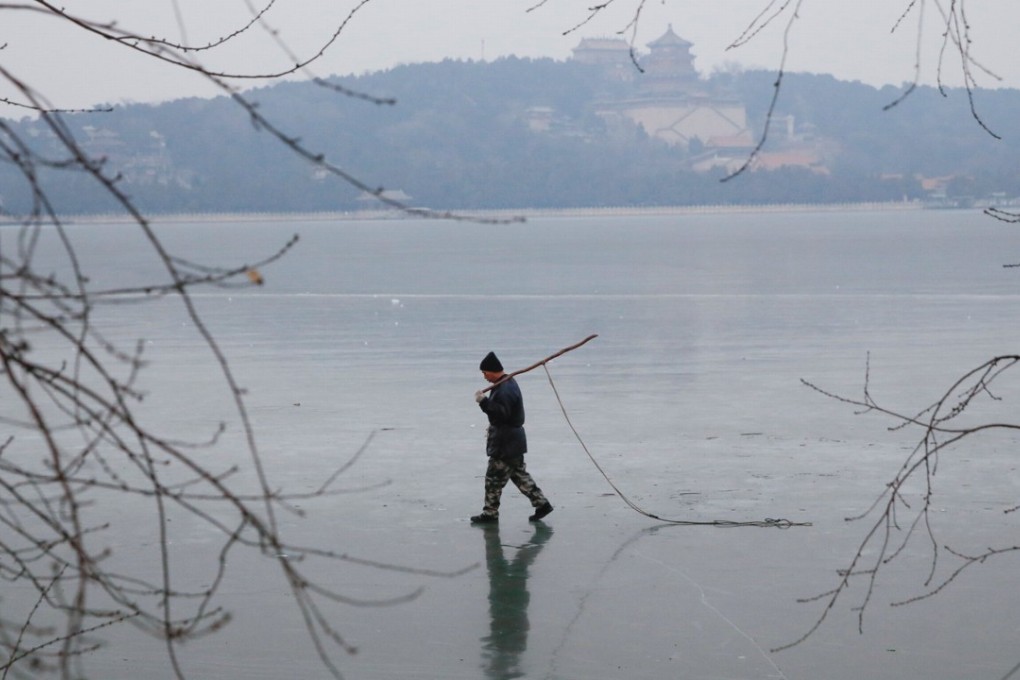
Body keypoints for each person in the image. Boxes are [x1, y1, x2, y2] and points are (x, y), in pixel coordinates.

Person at [471, 351, 554, 524]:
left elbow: (501, 415)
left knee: (493, 479)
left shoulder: (505, 389)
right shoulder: (505, 384)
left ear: (492, 371)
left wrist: (484, 402)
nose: (484, 377)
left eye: (485, 373)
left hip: (505, 442)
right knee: (518, 474)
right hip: (513, 441)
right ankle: (542, 504)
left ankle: (490, 513)